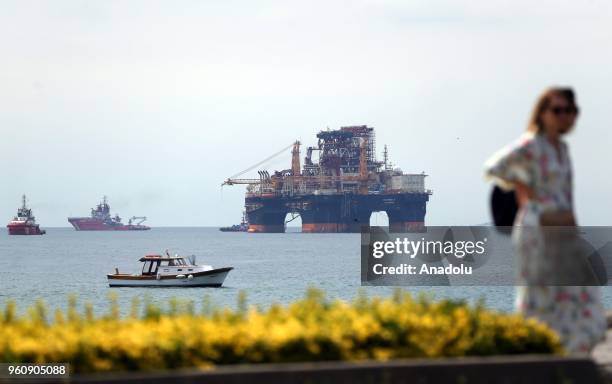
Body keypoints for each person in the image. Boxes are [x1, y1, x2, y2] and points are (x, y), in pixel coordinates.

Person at [484, 87, 606, 354]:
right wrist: (526, 196)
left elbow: (564, 193)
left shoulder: (561, 149)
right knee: (540, 299)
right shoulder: (531, 144)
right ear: (542, 114)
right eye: (558, 110)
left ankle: (569, 354)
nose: (565, 116)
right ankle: (538, 357)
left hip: (564, 234)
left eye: (570, 111)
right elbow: (495, 167)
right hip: (536, 233)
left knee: (582, 295)